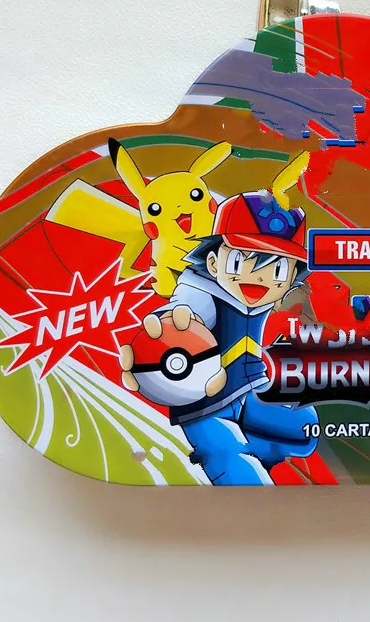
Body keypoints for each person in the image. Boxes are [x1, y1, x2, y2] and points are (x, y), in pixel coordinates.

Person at [119, 188, 318, 485]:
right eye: (240, 260)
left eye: (276, 269)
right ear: (212, 262)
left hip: (251, 390)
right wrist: (168, 328)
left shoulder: (265, 298)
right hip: (204, 405)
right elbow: (182, 312)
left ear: (290, 277)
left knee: (305, 428)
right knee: (229, 458)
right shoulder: (201, 293)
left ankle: (255, 450)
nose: (258, 276)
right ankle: (239, 470)